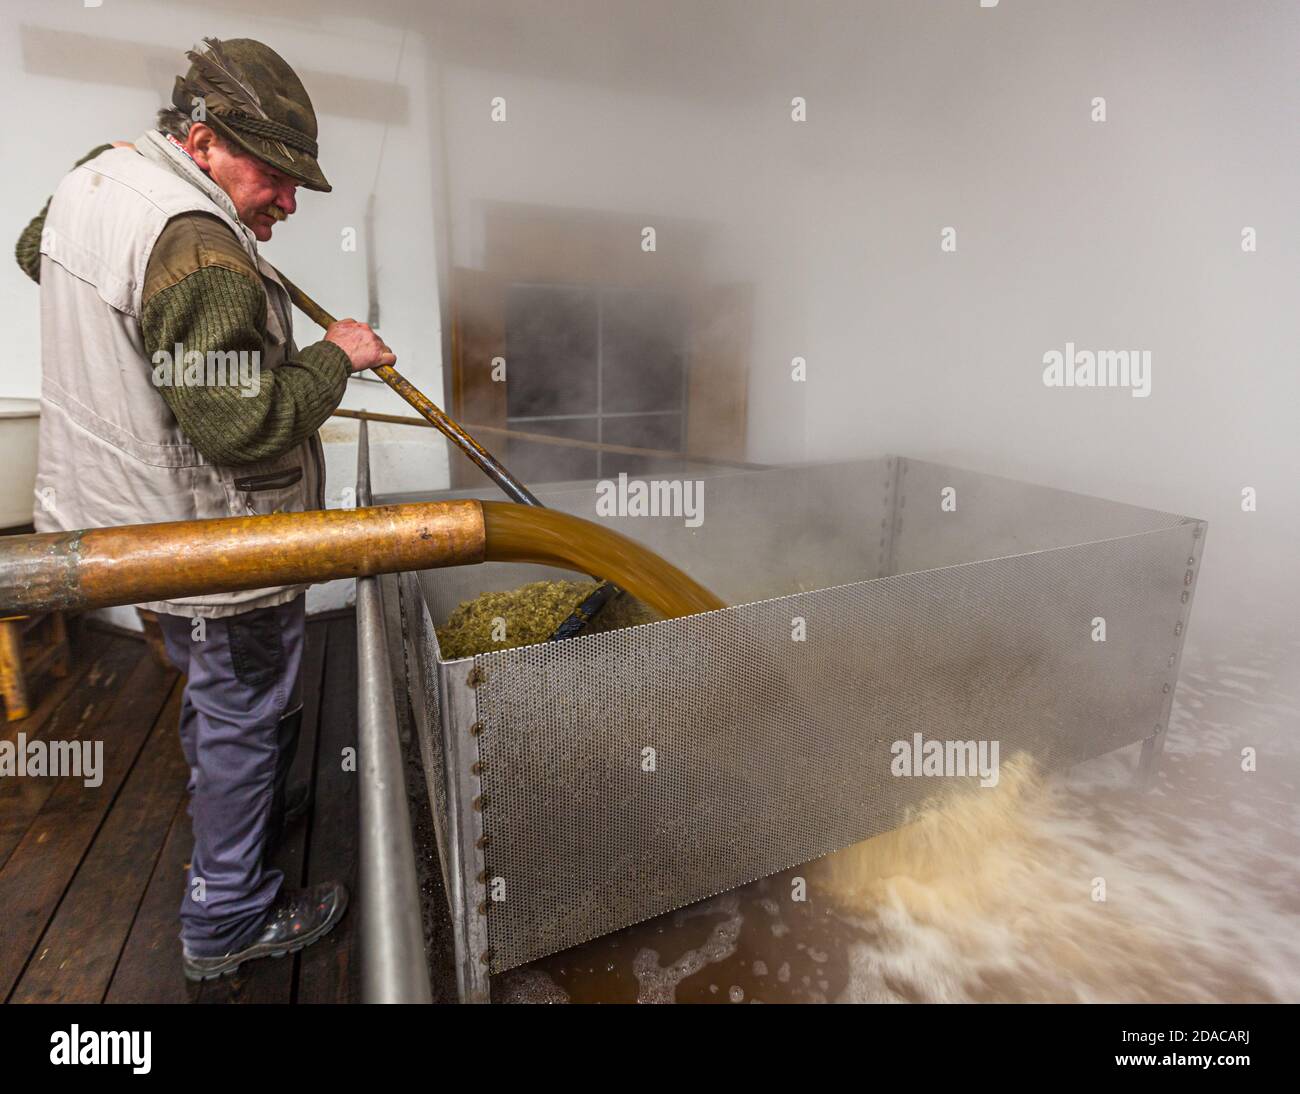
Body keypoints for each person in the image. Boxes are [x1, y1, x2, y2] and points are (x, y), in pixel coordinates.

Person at [13, 37, 393, 981]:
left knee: (217, 696)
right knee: (246, 710)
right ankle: (226, 920)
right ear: (203, 137)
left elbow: (35, 252)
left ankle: (242, 811)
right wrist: (337, 354)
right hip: (205, 534)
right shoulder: (200, 243)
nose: (289, 201)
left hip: (118, 521)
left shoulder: (96, 182)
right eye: (275, 174)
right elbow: (247, 426)